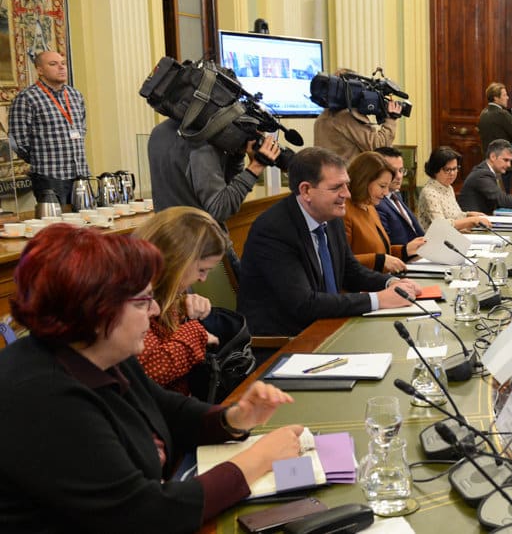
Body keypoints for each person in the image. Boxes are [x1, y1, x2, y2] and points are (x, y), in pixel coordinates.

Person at [0, 225, 304, 532]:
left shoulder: (99, 351)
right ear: (98, 310)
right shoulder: (43, 398)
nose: (156, 309)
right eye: (144, 300)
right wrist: (258, 459)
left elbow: (165, 409)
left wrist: (233, 418)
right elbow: (145, 514)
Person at [237, 147, 421, 337]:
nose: (347, 194)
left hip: (327, 325)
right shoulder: (274, 230)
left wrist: (391, 283)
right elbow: (304, 304)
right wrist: (377, 300)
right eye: (336, 188)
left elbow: (350, 271)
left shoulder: (330, 217)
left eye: (346, 185)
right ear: (306, 190)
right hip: (287, 340)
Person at [133, 207, 227, 395]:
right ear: (177, 262)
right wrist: (196, 332)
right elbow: (151, 371)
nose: (203, 280)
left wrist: (182, 306)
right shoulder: (133, 296)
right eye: (202, 270)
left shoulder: (164, 293)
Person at [148, 118, 280, 224]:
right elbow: (220, 209)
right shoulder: (200, 140)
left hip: (166, 243)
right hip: (198, 248)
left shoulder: (159, 132)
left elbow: (225, 187)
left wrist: (238, 154)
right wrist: (256, 167)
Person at [9, 51, 90, 204]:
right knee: (56, 226)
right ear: (39, 70)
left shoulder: (75, 95)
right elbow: (18, 141)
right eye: (53, 64)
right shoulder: (27, 98)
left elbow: (82, 129)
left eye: (63, 64)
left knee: (84, 223)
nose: (61, 68)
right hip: (49, 176)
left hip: (79, 173)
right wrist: (40, 157)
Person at [344, 152, 425, 273]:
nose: (386, 192)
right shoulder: (344, 211)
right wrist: (379, 260)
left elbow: (382, 251)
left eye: (388, 186)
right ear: (364, 181)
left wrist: (405, 250)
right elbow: (341, 262)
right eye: (382, 186)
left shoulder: (369, 207)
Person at [313, 70, 400, 164]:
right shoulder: (345, 117)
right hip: (349, 177)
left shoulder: (322, 117)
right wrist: (391, 119)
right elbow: (378, 147)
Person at [417, 146, 492, 232]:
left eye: (455, 168)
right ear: (435, 169)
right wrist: (471, 220)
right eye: (447, 169)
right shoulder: (429, 193)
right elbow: (441, 225)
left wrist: (468, 215)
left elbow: (453, 215)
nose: (452, 173)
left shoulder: (448, 187)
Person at [478, 82, 512, 192]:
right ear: (496, 98)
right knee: (503, 194)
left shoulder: (484, 113)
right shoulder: (502, 113)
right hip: (502, 163)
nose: (507, 98)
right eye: (504, 95)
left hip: (488, 162)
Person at [373, 146, 425, 246]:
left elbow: (415, 230)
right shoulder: (377, 202)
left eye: (401, 170)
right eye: (393, 171)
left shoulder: (395, 195)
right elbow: (388, 245)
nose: (399, 176)